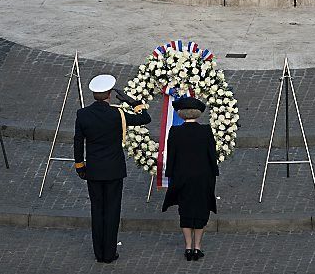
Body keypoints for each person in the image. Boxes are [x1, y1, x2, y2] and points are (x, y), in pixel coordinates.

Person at [73, 74, 151, 264]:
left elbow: (78, 142)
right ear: (109, 94)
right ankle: (109, 253)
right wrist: (133, 102)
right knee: (112, 210)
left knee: (97, 209)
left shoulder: (82, 114)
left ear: (94, 94)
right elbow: (145, 118)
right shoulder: (119, 114)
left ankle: (98, 253)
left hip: (94, 170)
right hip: (114, 170)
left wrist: (80, 166)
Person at [161, 97, 219, 261]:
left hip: (182, 176)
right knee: (201, 211)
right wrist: (213, 172)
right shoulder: (206, 131)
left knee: (185, 211)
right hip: (203, 176)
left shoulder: (175, 131)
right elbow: (211, 155)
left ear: (180, 113)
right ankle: (197, 247)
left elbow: (171, 155)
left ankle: (188, 247)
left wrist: (170, 174)